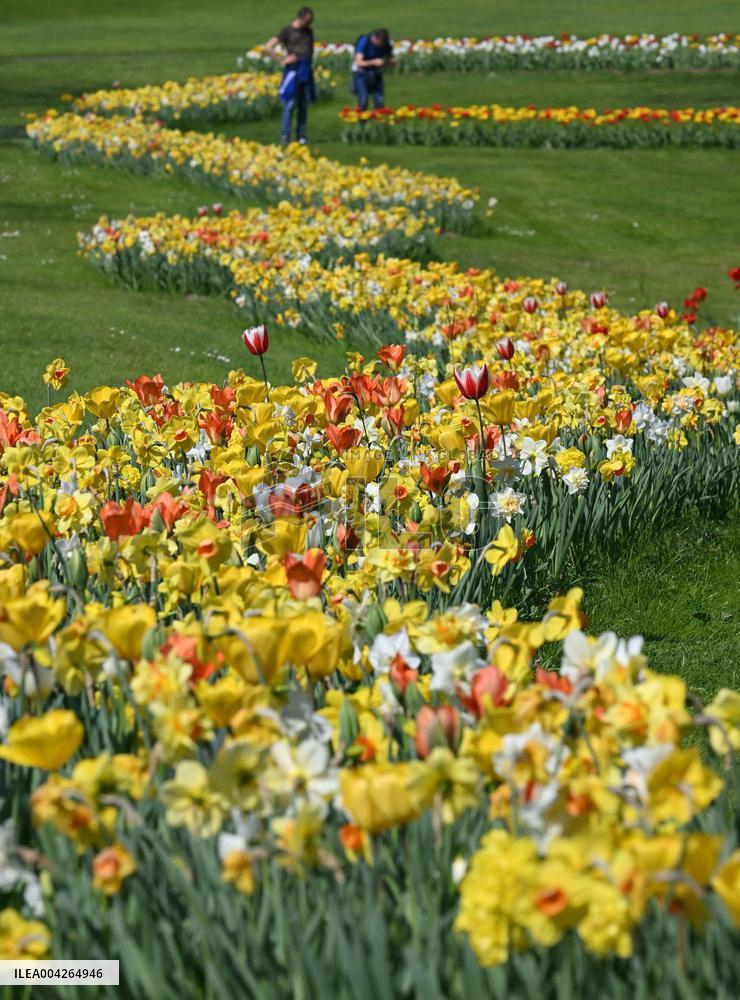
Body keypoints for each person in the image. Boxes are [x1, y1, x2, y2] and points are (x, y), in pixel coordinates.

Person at [264, 7, 315, 145]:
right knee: (290, 103)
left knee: (304, 104)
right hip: (293, 70)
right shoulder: (288, 31)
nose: (310, 23)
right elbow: (268, 47)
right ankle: (285, 135)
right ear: (301, 17)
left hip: (306, 70)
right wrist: (282, 59)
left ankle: (301, 135)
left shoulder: (308, 31)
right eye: (308, 20)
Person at [352, 29, 394, 111]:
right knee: (363, 101)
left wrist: (386, 62)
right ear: (376, 39)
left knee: (379, 101)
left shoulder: (385, 44)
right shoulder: (365, 41)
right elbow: (359, 62)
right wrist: (373, 62)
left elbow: (390, 58)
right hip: (361, 72)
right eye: (380, 44)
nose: (381, 46)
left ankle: (379, 121)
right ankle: (361, 122)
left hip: (376, 73)